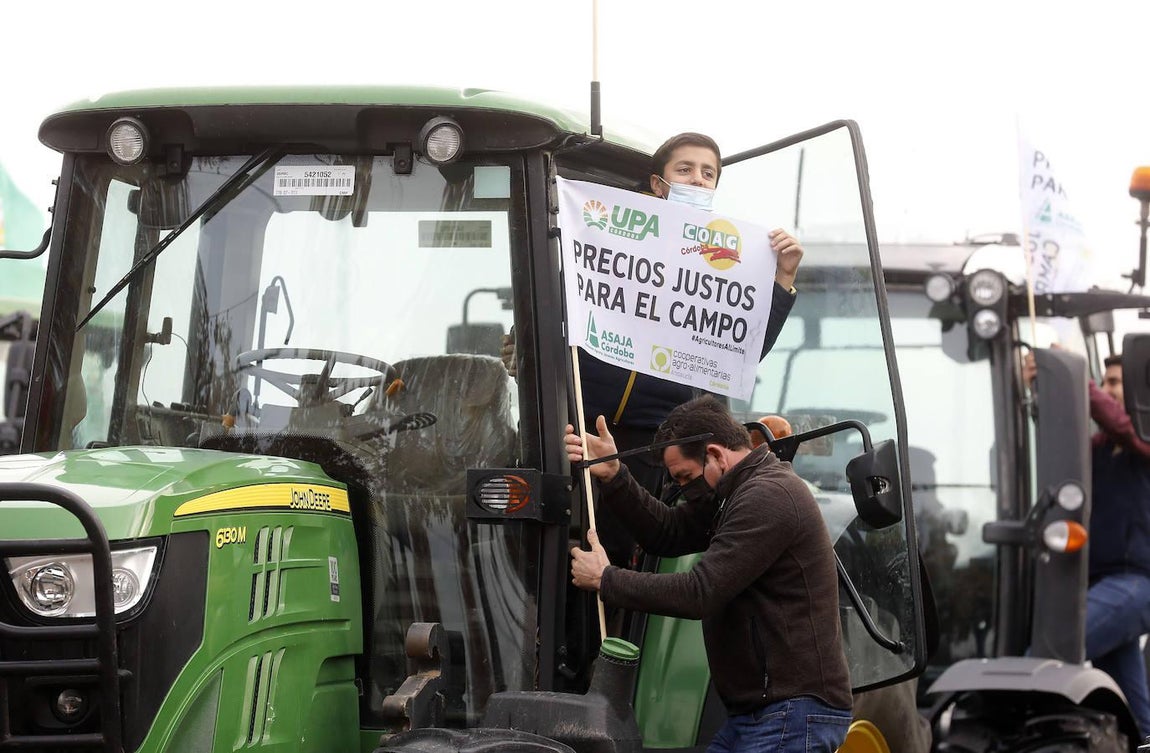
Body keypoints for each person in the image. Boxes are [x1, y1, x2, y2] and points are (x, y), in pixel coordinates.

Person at [506, 132, 803, 568]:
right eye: (685, 170)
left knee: (623, 552)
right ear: (658, 185)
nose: (698, 181)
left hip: (654, 446)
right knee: (546, 550)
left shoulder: (726, 262)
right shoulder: (603, 241)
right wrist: (523, 350)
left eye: (708, 174)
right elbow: (550, 314)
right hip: (577, 430)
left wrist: (782, 280)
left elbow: (739, 349)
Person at [566, 395, 853, 752]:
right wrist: (614, 475)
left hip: (790, 712)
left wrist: (606, 579)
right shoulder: (734, 494)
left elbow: (700, 592)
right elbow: (666, 532)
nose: (685, 490)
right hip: (760, 713)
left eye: (685, 478)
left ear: (716, 455)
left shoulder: (768, 496)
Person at [1026, 351, 1150, 738]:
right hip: (1103, 584)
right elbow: (1062, 433)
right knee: (1136, 714)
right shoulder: (1100, 448)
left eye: (1118, 383)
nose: (1111, 390)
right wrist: (1040, 384)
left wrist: (1078, 380)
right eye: (1106, 382)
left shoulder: (1143, 441)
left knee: (1048, 659)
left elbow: (1121, 424)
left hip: (1135, 585)